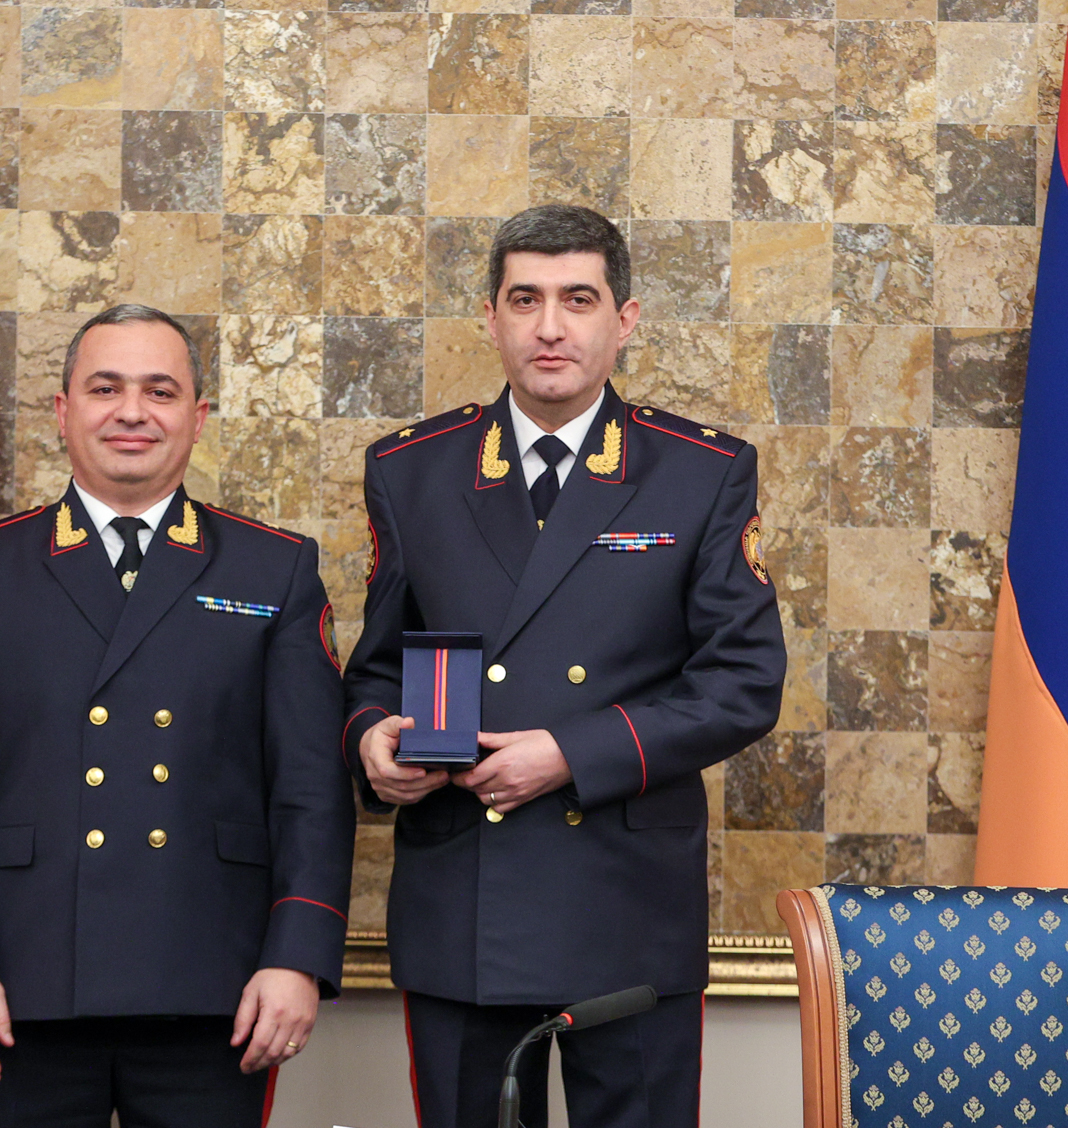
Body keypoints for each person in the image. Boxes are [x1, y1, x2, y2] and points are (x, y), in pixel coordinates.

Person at [342, 205, 787, 1127]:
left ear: (625, 321)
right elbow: (376, 669)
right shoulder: (412, 470)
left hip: (625, 901)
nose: (551, 326)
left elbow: (743, 683)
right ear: (490, 318)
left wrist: (571, 754)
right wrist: (372, 741)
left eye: (578, 300)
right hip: (465, 894)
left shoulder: (700, 471)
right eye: (526, 300)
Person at [0, 304, 355, 1128]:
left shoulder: (274, 569)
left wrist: (298, 957)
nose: (132, 412)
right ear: (62, 409)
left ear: (198, 417)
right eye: (105, 388)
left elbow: (311, 791)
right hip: (19, 983)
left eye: (160, 391)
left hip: (213, 981)